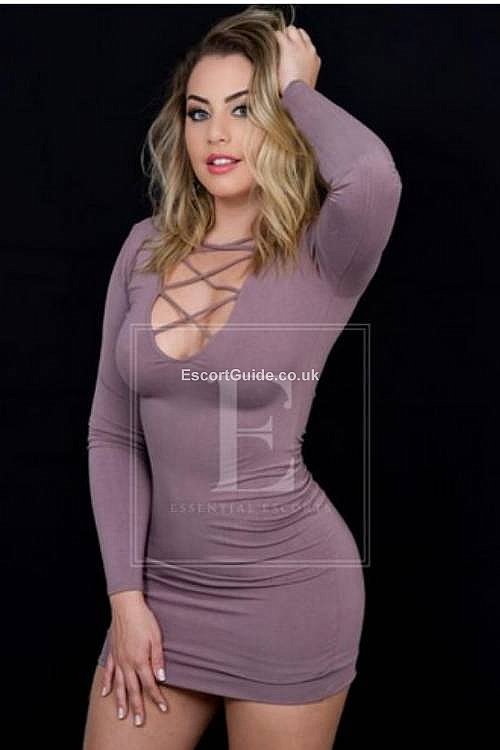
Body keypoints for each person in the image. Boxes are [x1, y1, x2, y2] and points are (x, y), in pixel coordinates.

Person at [83, 6, 402, 749]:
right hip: (160, 596)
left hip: (290, 594)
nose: (216, 135)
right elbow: (112, 434)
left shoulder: (325, 251)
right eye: (199, 112)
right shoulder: (145, 248)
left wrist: (296, 90)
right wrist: (126, 599)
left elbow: (371, 174)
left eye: (244, 109)